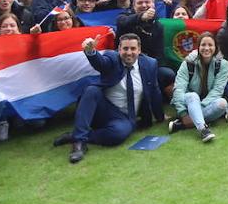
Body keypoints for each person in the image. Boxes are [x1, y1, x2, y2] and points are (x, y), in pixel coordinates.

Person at [53, 33, 164, 163]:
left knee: (119, 134)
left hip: (124, 117)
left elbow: (155, 91)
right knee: (92, 90)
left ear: (139, 50)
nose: (129, 53)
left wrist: (160, 116)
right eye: (125, 49)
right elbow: (100, 63)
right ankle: (79, 143)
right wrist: (91, 51)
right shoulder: (112, 58)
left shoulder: (150, 64)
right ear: (119, 49)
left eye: (133, 49)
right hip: (103, 110)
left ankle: (74, 135)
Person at [168, 32, 228, 142]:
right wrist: (183, 113)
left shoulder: (223, 64)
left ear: (215, 47)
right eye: (203, 45)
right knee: (192, 95)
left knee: (222, 104)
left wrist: (197, 109)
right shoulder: (188, 63)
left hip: (207, 103)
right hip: (188, 101)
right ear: (198, 47)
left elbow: (218, 90)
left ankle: (182, 125)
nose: (206, 48)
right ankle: (203, 130)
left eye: (210, 45)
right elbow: (179, 89)